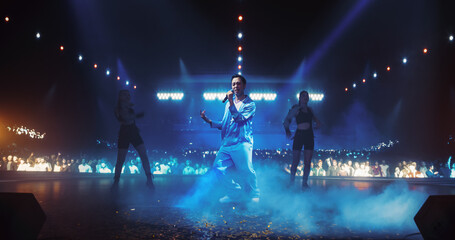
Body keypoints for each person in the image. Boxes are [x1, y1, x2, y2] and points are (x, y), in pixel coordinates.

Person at [200, 74, 259, 203]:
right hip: (227, 143)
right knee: (217, 168)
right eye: (233, 84)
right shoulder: (228, 105)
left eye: (238, 83)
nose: (235, 86)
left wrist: (231, 101)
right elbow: (224, 124)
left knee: (246, 169)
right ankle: (234, 193)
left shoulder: (250, 104)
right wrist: (208, 120)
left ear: (243, 86)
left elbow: (239, 119)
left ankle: (254, 195)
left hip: (242, 142)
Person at [113, 90, 153, 189]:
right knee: (120, 159)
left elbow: (129, 118)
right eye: (125, 95)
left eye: (128, 95)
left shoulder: (129, 106)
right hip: (125, 132)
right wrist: (137, 115)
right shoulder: (118, 108)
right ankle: (116, 181)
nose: (128, 97)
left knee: (143, 155)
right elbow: (125, 118)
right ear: (120, 97)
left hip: (132, 131)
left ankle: (149, 179)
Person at [283, 90, 321, 189]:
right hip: (299, 135)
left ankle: (304, 183)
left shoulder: (310, 109)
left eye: (307, 96)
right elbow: (286, 120)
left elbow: (317, 121)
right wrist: (287, 130)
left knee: (307, 162)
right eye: (303, 96)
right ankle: (291, 182)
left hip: (309, 135)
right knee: (295, 161)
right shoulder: (296, 109)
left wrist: (317, 124)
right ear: (300, 98)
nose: (305, 97)